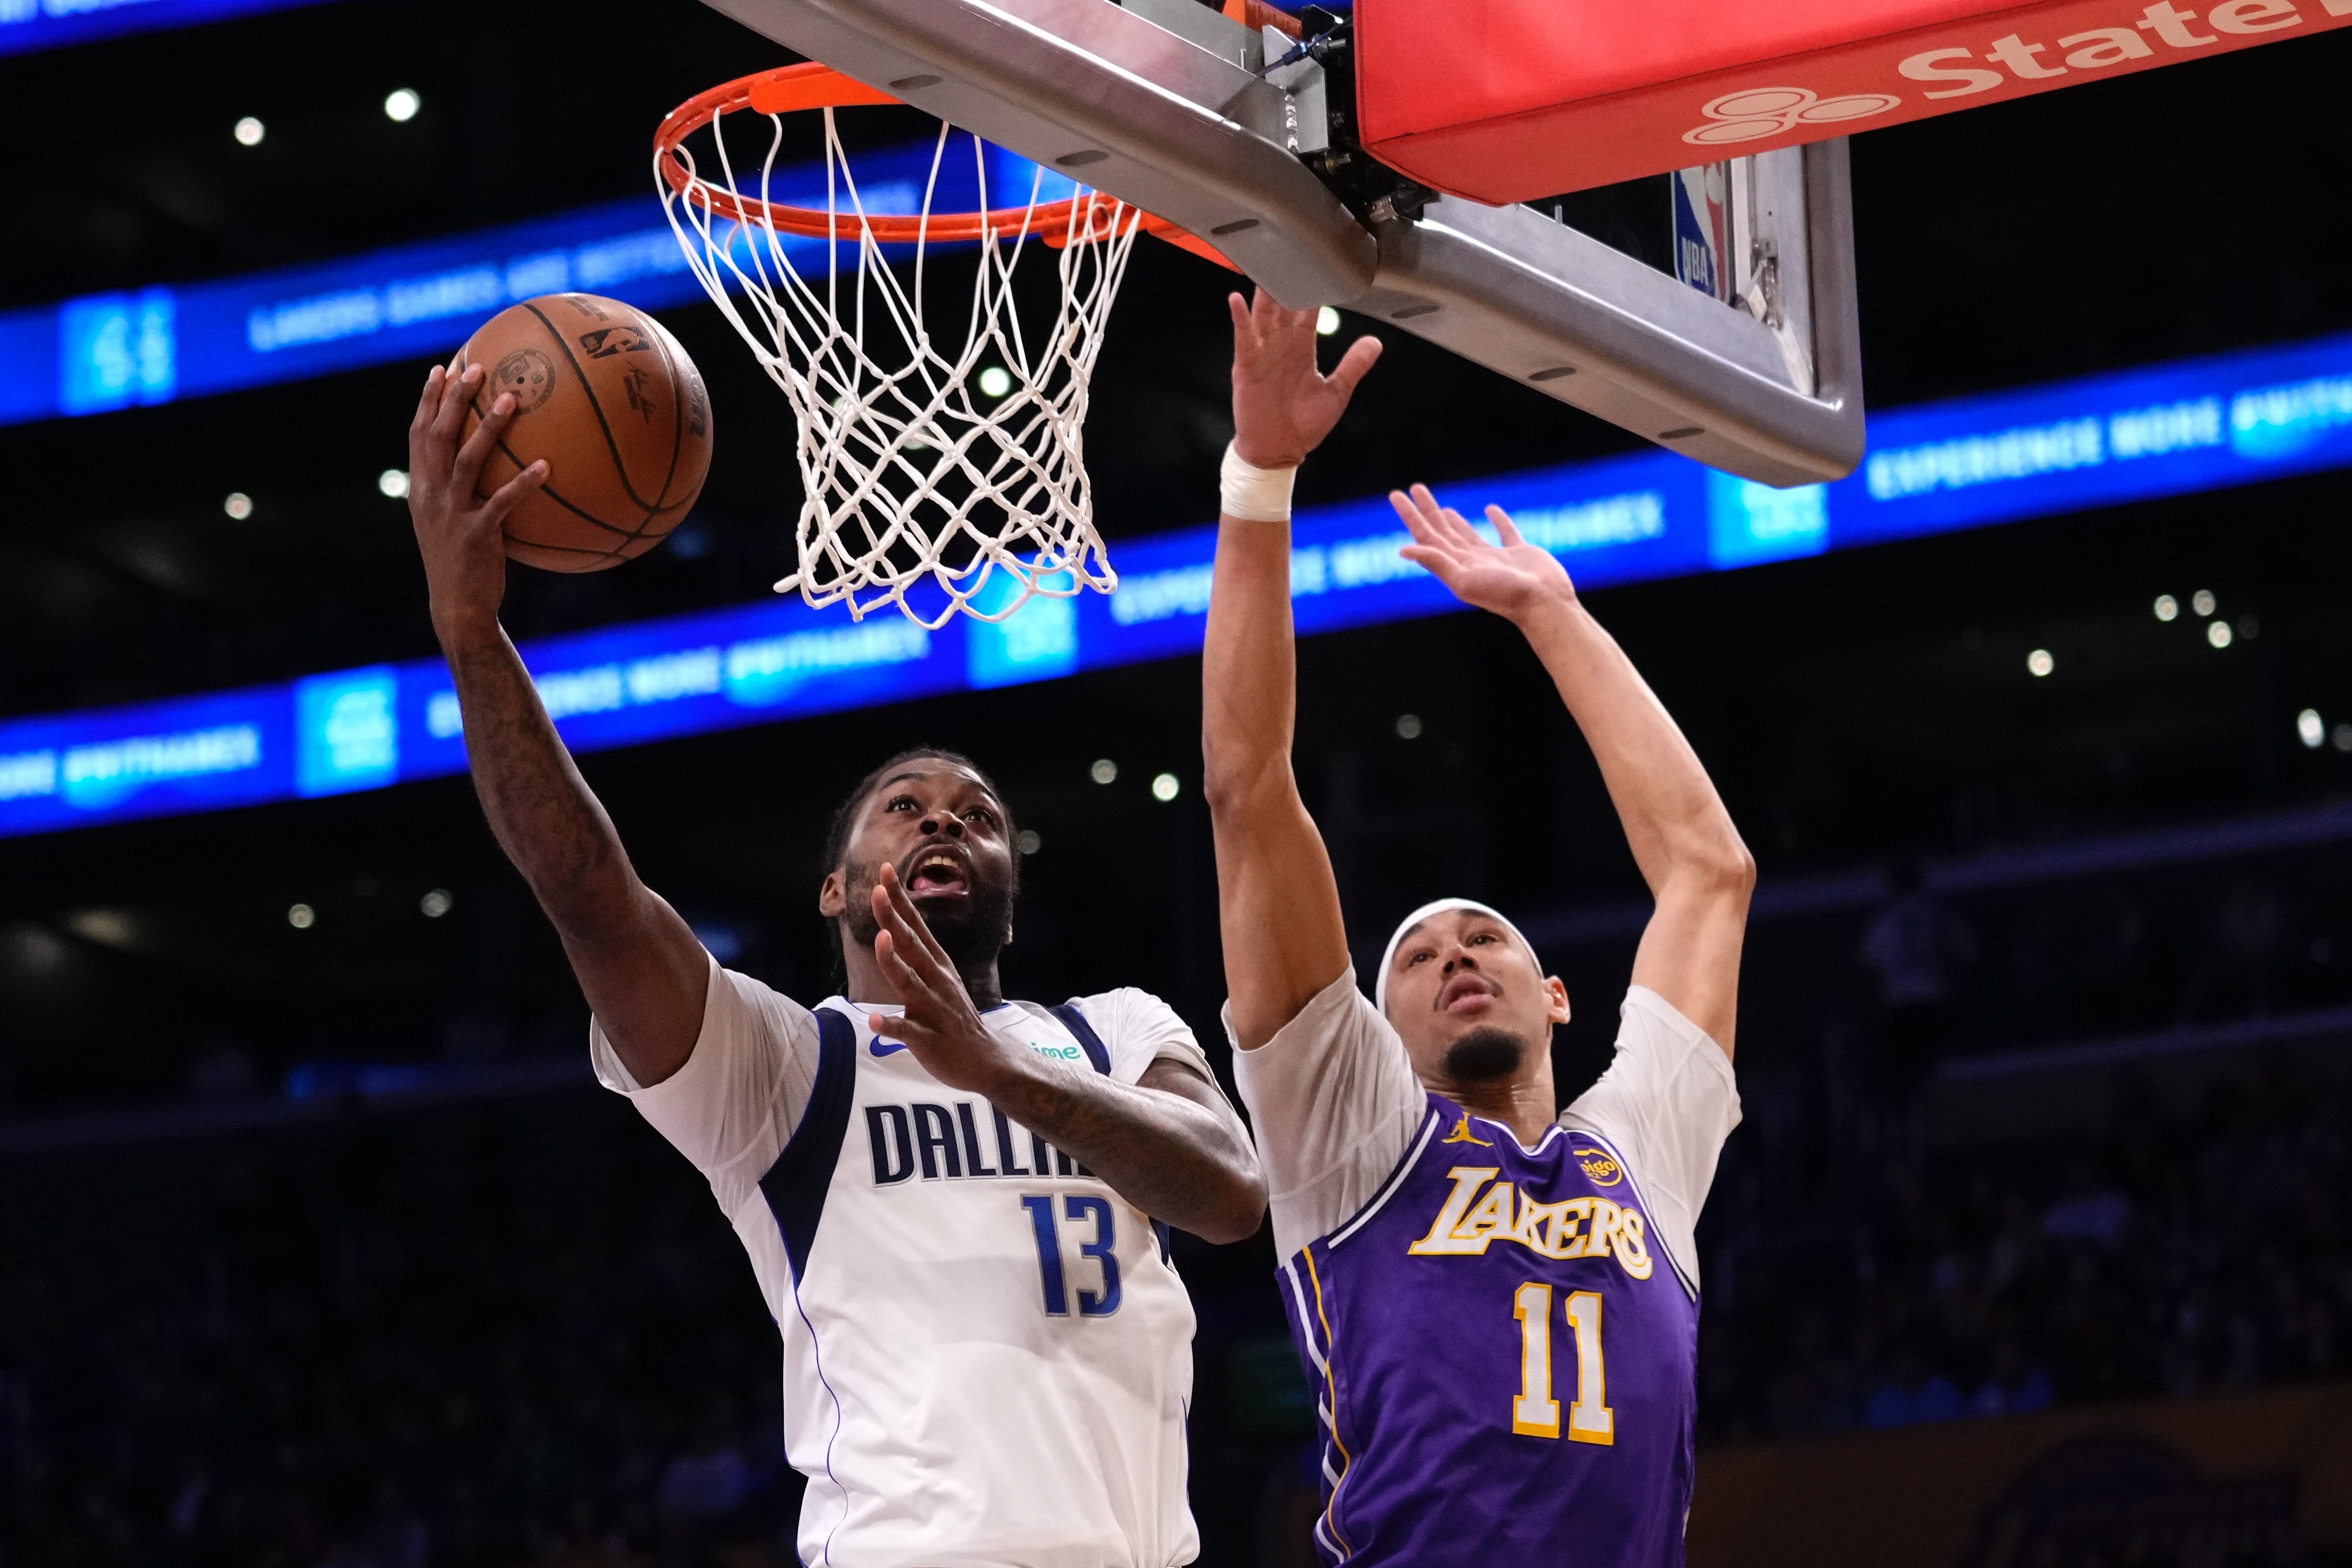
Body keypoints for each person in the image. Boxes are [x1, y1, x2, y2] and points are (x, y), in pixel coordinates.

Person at [404, 360, 1265, 1567]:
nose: (944, 819)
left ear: (1009, 891)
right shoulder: (785, 1066)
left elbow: (1230, 1193)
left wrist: (1001, 1073)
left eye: (976, 814)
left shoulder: (1113, 1029)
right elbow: (590, 897)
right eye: (905, 807)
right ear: (835, 889)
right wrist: (471, 635)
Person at [1201, 292, 1754, 1566]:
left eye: (1486, 938)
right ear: (1372, 1023)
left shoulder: (1641, 1153)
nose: (1454, 953)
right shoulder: (1348, 1130)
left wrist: (1551, 612)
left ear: (1556, 995)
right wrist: (1260, 477)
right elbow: (1247, 791)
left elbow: (1706, 872)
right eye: (1416, 954)